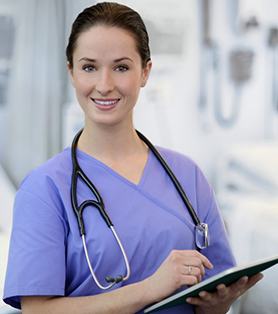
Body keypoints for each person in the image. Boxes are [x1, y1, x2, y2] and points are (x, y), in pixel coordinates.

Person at [3, 2, 263, 314]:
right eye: (89, 67)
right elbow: (36, 311)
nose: (104, 85)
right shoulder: (44, 189)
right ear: (71, 73)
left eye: (121, 67)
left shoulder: (187, 175)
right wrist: (150, 289)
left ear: (145, 72)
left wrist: (217, 304)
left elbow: (211, 295)